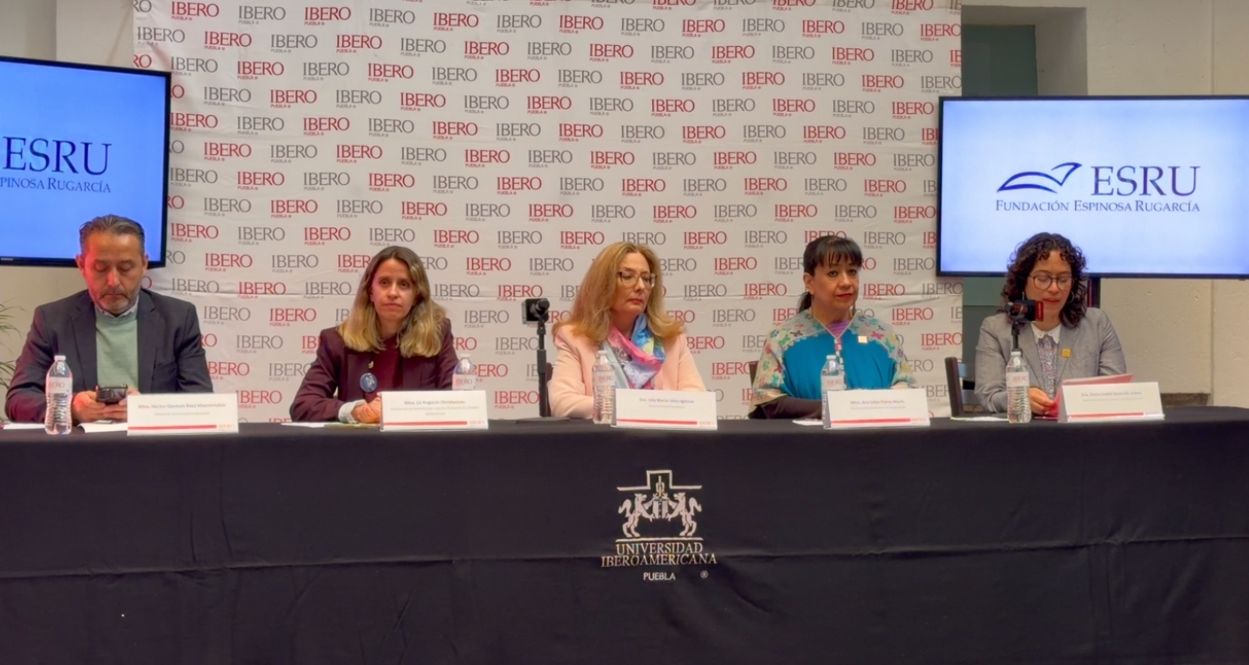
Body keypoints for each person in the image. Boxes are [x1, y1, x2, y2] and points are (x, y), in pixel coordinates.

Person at [4, 215, 213, 423]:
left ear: (144, 264)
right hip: (82, 443)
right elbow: (18, 400)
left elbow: (201, 401)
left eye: (126, 268)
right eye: (100, 268)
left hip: (149, 442)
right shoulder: (52, 320)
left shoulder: (178, 318)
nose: (113, 281)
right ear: (81, 265)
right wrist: (70, 408)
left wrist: (146, 409)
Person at [750, 236, 914, 419]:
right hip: (807, 436)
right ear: (809, 282)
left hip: (876, 435)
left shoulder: (882, 336)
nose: (846, 282)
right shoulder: (782, 339)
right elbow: (769, 402)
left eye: (852, 272)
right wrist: (835, 410)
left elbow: (907, 394)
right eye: (833, 273)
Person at [290, 245, 457, 423]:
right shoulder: (337, 341)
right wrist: (355, 412)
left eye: (404, 284)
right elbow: (303, 405)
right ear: (370, 291)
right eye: (384, 282)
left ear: (416, 295)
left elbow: (458, 401)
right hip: (362, 440)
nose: (393, 293)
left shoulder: (436, 334)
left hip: (416, 440)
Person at [974, 232, 1126, 416]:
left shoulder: (1096, 325)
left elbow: (1115, 392)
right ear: (1023, 281)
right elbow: (988, 396)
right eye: (1043, 279)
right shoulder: (997, 329)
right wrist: (1018, 397)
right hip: (1025, 432)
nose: (1054, 288)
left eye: (1063, 280)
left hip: (1082, 430)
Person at [549, 242, 705, 418]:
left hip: (663, 435)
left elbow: (697, 400)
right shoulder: (575, 338)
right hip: (605, 435)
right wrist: (634, 406)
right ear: (603, 284)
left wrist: (641, 407)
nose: (640, 286)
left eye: (646, 279)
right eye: (628, 276)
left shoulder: (672, 339)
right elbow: (563, 402)